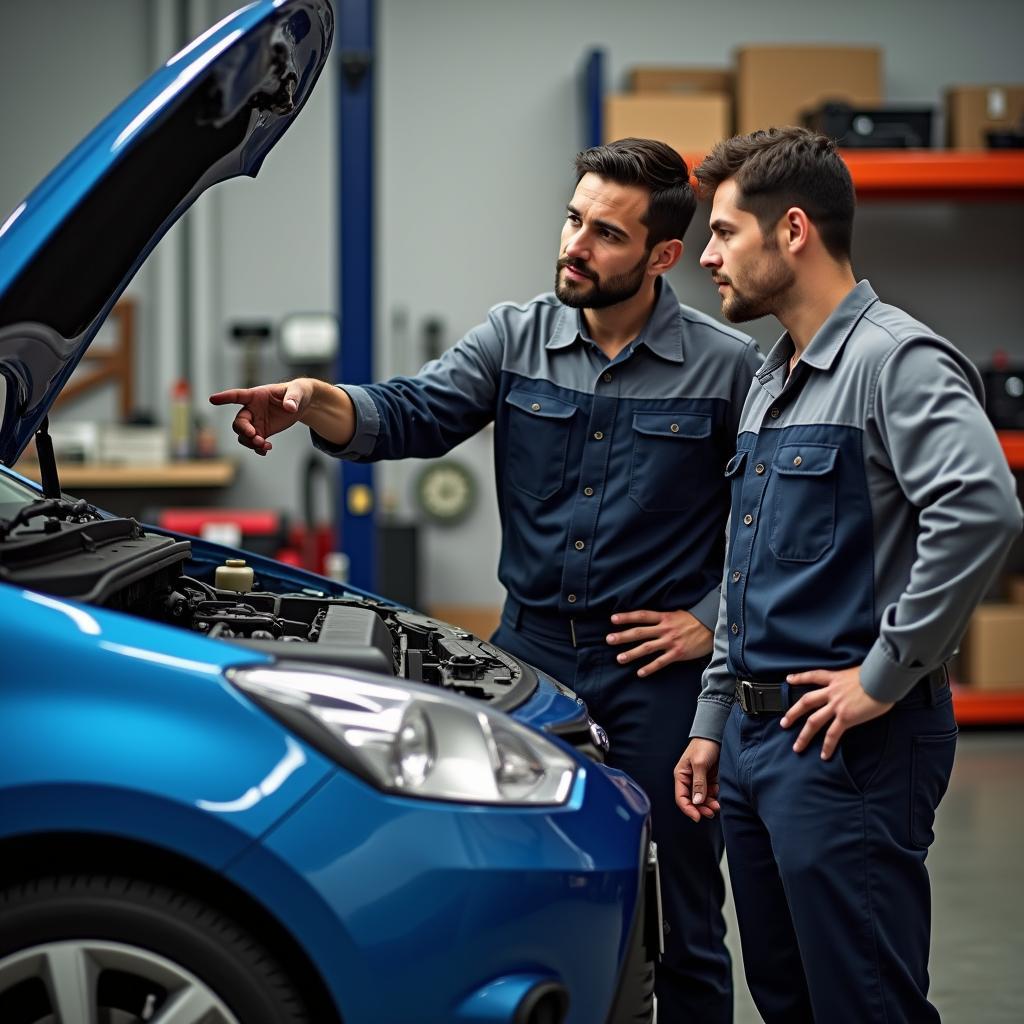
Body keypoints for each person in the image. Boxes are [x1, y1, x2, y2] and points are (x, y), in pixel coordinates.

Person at [211, 137, 761, 1021]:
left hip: (661, 681)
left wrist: (709, 620)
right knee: (511, 887)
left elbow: (768, 524)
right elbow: (411, 414)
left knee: (683, 914)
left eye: (606, 235)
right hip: (529, 663)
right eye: (574, 219)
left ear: (663, 255)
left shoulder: (729, 368)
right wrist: (316, 399)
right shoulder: (515, 337)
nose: (575, 246)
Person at [673, 126, 1023, 1023]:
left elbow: (981, 509)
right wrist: (713, 721)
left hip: (847, 748)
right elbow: (748, 569)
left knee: (864, 1004)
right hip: (753, 747)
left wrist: (884, 676)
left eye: (723, 232)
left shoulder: (895, 360)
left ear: (793, 230)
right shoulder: (771, 377)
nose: (705, 256)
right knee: (788, 1000)